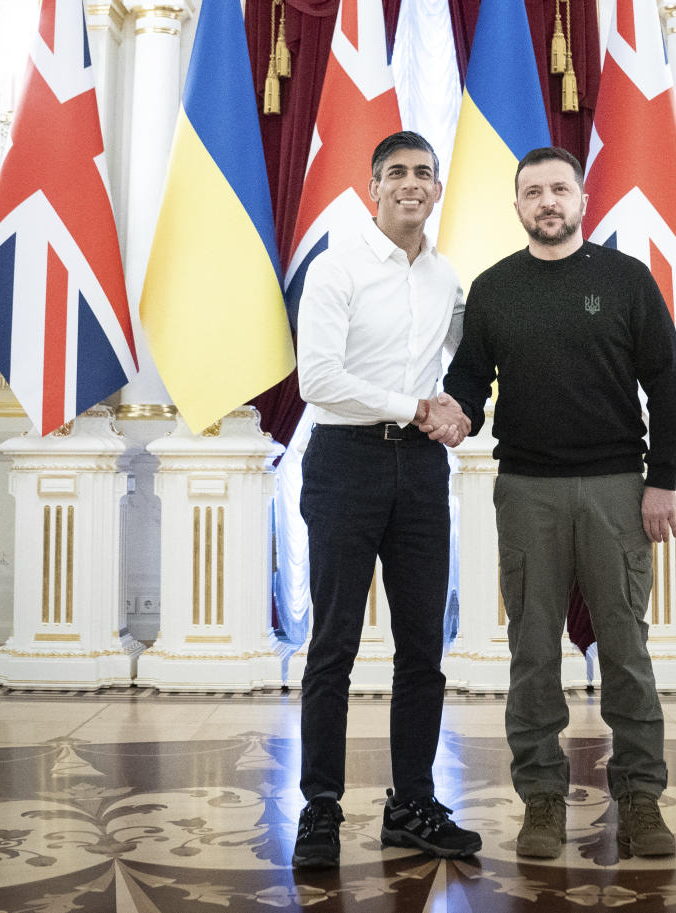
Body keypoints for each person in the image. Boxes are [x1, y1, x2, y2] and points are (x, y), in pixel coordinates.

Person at [437, 146, 676, 861]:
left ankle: (640, 797)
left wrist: (662, 479)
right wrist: (453, 415)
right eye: (533, 192)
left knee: (629, 651)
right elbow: (468, 384)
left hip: (618, 489)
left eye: (559, 188)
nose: (547, 201)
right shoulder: (492, 289)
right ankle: (541, 800)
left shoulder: (626, 280)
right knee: (531, 653)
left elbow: (667, 386)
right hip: (526, 492)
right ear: (517, 206)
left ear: (582, 199)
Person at [292, 130, 481, 869]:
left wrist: (459, 411)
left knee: (423, 648)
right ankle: (320, 810)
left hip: (421, 474)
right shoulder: (336, 269)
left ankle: (412, 806)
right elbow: (318, 380)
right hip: (345, 462)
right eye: (396, 172)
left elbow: (465, 371)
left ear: (436, 190)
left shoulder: (446, 279)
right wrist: (416, 406)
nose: (411, 183)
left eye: (423, 173)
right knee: (333, 643)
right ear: (373, 187)